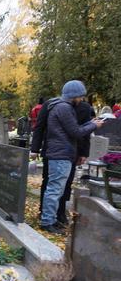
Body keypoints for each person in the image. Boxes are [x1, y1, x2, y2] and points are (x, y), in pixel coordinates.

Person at [32, 80, 103, 234]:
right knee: (55, 189)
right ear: (74, 95)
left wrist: (90, 123)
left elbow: (74, 129)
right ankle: (47, 221)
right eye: (81, 96)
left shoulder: (60, 106)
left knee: (56, 189)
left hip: (60, 153)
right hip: (61, 154)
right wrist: (93, 126)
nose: (82, 100)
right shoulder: (64, 108)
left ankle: (51, 219)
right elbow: (75, 132)